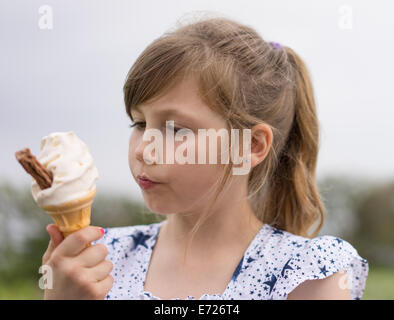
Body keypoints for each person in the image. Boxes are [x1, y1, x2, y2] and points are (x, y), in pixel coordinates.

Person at [42, 15, 368, 300]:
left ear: (251, 145)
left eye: (176, 129)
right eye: (140, 123)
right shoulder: (100, 258)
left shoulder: (306, 274)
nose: (143, 149)